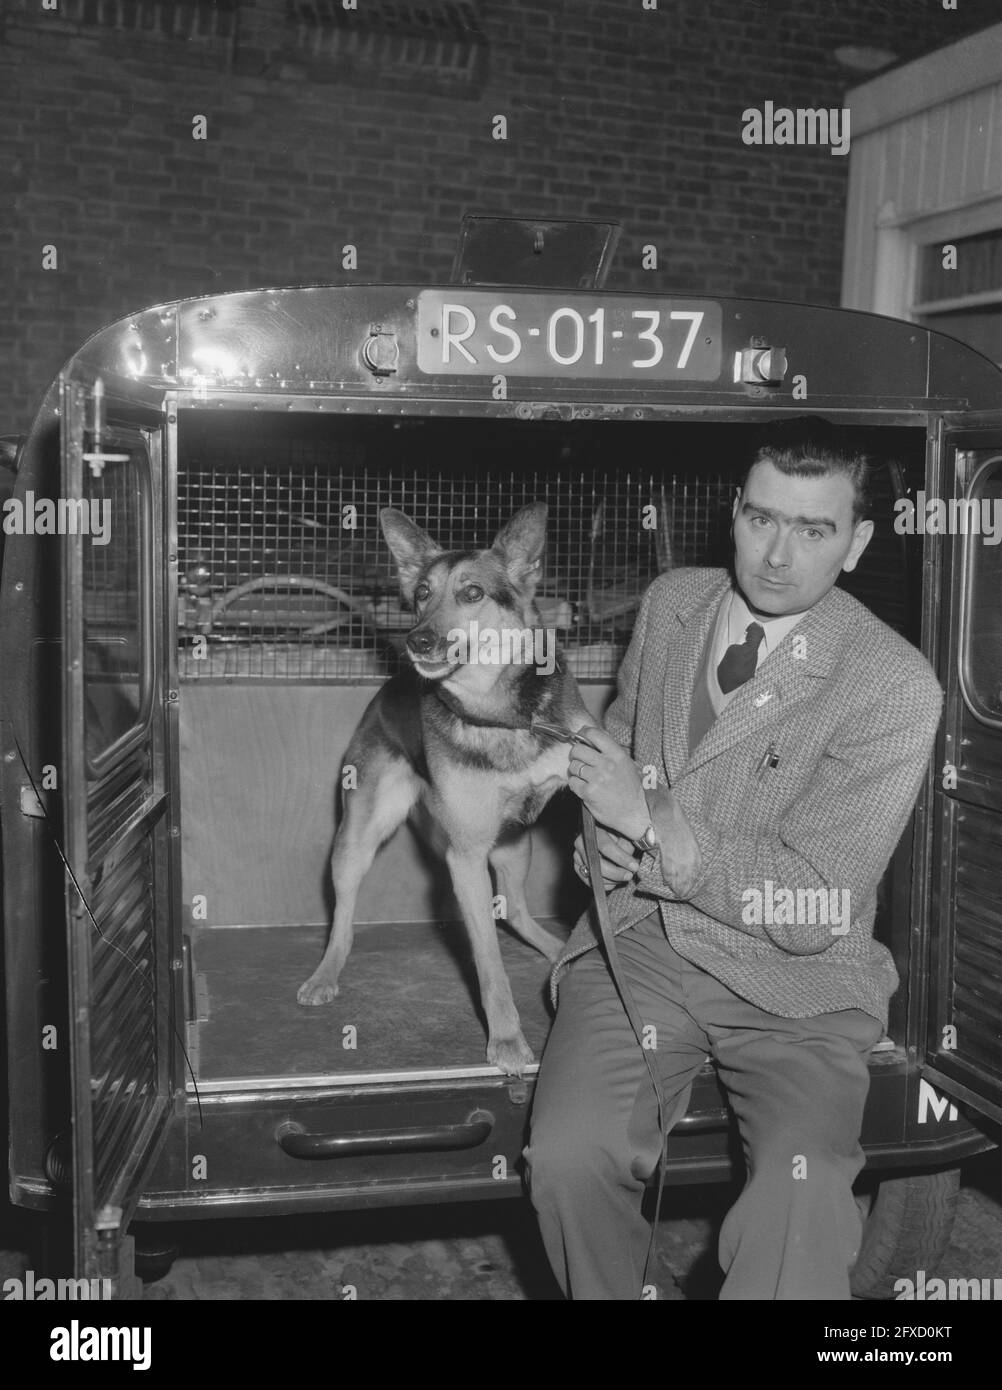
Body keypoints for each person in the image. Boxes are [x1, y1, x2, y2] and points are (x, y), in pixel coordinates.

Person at [524, 438, 944, 1300]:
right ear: (735, 515)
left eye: (814, 529)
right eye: (760, 519)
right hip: (643, 942)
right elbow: (628, 766)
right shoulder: (676, 603)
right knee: (568, 1159)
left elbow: (813, 900)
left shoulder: (895, 685)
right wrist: (598, 843)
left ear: (857, 544)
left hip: (795, 981)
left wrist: (650, 827)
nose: (778, 555)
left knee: (803, 1193)